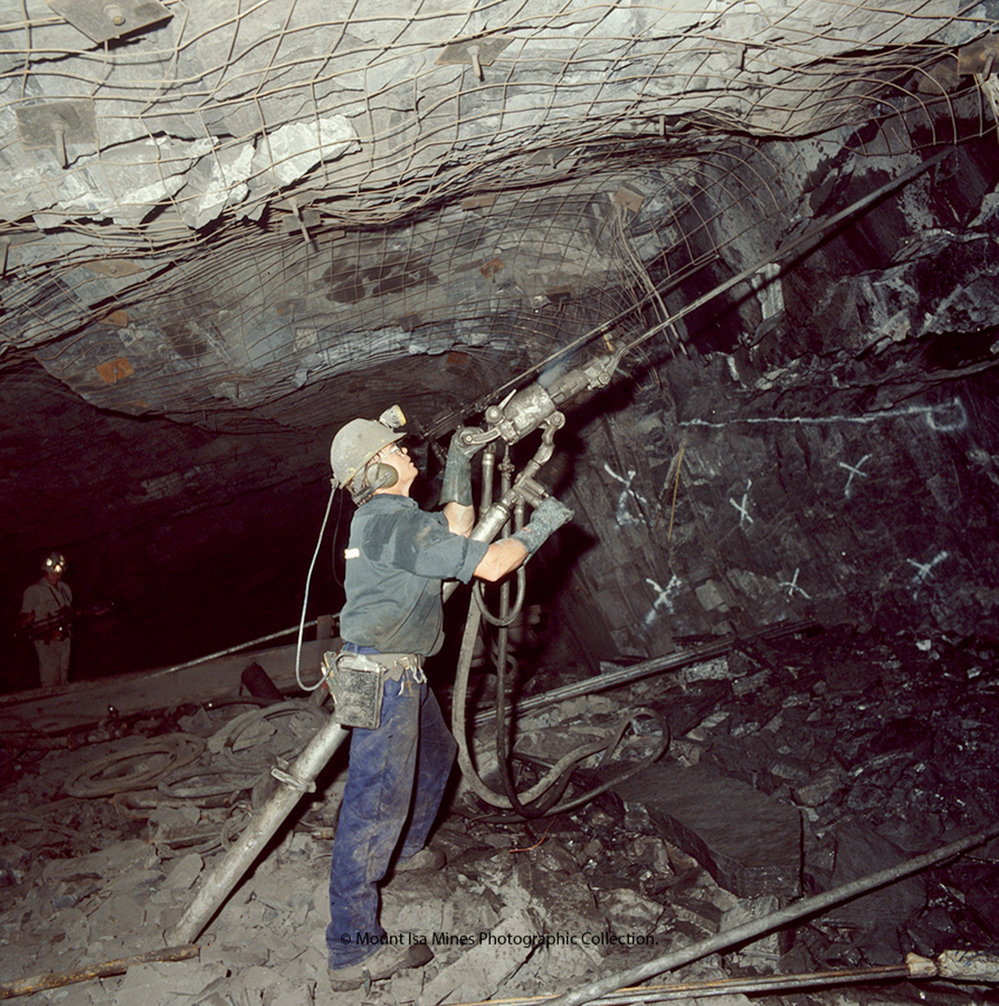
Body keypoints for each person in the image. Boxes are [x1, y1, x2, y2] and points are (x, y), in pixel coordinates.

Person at [324, 408, 573, 991]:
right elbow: (488, 563)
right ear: (374, 470)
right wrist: (543, 524)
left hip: (396, 673)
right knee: (371, 805)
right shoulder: (391, 522)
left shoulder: (390, 519)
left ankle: (406, 852)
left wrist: (461, 458)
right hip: (385, 682)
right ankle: (350, 950)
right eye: (396, 450)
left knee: (437, 757)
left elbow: (457, 527)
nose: (408, 452)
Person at [19, 550, 74, 688]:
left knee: (64, 679)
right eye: (53, 572)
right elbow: (23, 618)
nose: (56, 575)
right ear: (45, 570)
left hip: (64, 638)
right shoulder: (34, 591)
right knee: (50, 679)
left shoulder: (65, 589)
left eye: (59, 573)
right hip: (46, 640)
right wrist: (29, 619)